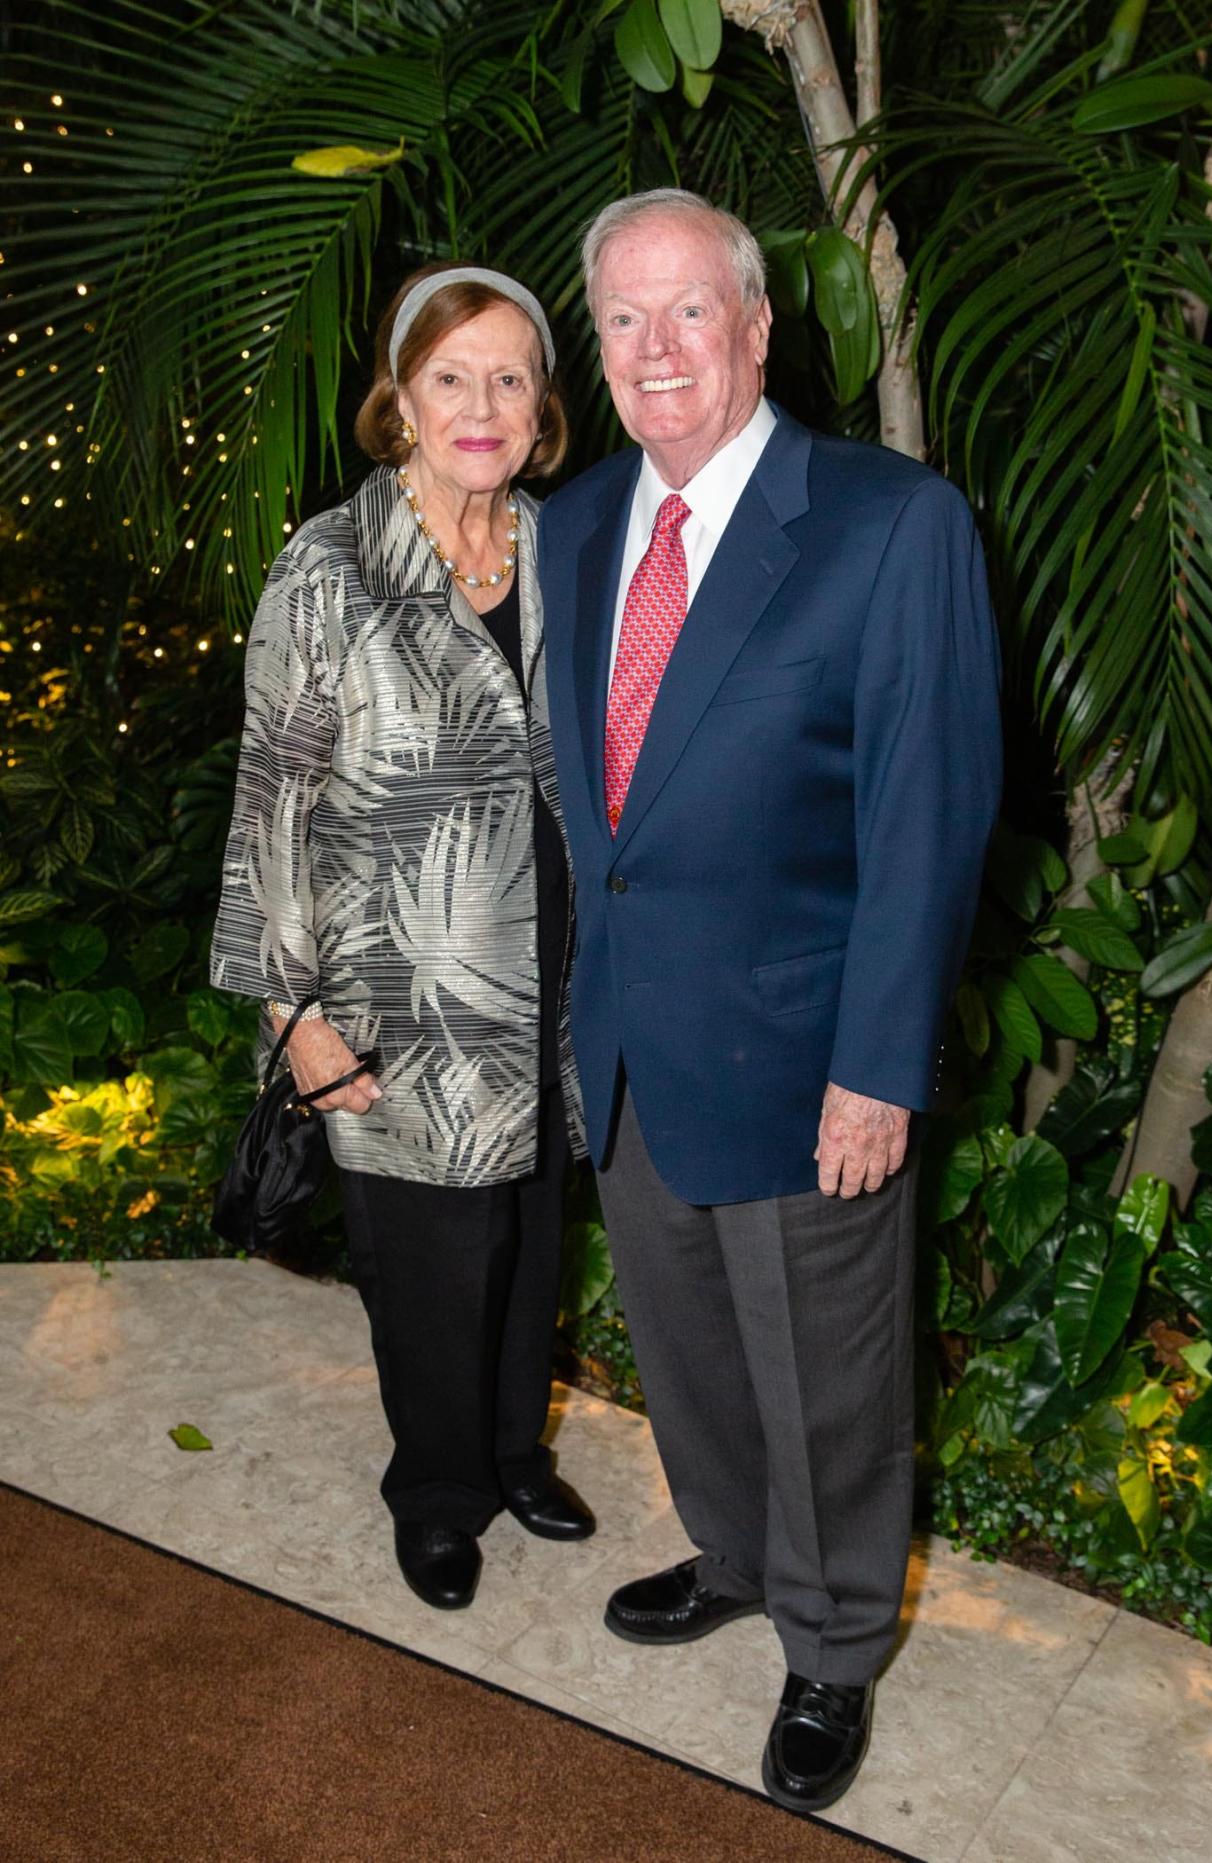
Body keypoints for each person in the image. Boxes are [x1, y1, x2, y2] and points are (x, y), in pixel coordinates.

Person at [538, 190, 1002, 1811]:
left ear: (754, 326)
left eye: (687, 315)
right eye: (621, 321)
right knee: (687, 1346)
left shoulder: (887, 521)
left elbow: (926, 817)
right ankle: (735, 1552)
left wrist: (878, 1062)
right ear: (595, 347)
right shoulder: (578, 520)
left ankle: (831, 1639)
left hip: (810, 1055)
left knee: (828, 1369)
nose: (656, 350)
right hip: (635, 1044)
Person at [211, 263, 594, 1614]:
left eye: (508, 376)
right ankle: (435, 1492)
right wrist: (291, 1015)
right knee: (431, 1263)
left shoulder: (564, 546)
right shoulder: (330, 565)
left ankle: (509, 1450)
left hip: (549, 977)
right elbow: (271, 798)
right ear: (402, 397)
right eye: (451, 376)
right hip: (396, 995)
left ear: (542, 403)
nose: (479, 404)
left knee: (528, 1237)